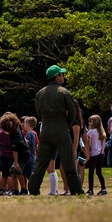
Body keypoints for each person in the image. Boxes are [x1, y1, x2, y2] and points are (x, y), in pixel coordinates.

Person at [27, 65, 84, 195]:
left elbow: (38, 111)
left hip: (46, 129)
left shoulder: (40, 93)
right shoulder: (64, 92)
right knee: (68, 161)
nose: (63, 77)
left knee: (41, 162)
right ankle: (76, 189)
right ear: (57, 76)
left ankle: (33, 188)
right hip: (61, 128)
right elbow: (72, 113)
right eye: (62, 75)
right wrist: (66, 124)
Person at [84, 114, 107, 195]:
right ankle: (103, 188)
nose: (89, 123)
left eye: (91, 121)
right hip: (101, 154)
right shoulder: (102, 132)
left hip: (93, 154)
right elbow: (103, 144)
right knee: (99, 172)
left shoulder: (90, 132)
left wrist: (88, 152)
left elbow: (89, 144)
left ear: (94, 122)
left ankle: (90, 190)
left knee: (91, 172)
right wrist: (102, 152)